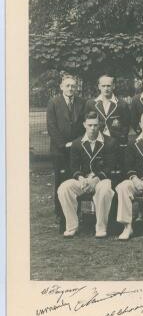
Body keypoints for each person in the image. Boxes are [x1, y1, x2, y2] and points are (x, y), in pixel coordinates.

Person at [57, 111, 117, 238]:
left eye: (95, 125)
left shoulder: (109, 142)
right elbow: (73, 166)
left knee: (105, 189)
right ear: (84, 124)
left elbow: (110, 166)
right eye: (90, 125)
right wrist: (81, 178)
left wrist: (96, 179)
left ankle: (101, 227)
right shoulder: (77, 143)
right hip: (83, 181)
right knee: (64, 188)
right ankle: (72, 226)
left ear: (99, 125)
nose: (93, 128)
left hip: (101, 180)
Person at [46, 74, 86, 231]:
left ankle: (76, 213)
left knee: (75, 180)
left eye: (73, 86)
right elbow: (51, 126)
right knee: (61, 182)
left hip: (76, 150)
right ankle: (61, 216)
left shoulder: (81, 103)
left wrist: (75, 144)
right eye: (67, 85)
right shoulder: (53, 102)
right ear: (61, 87)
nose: (70, 88)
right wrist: (63, 144)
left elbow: (84, 126)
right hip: (60, 151)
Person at [84, 74, 131, 147]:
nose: (106, 88)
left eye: (108, 86)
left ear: (113, 86)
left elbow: (126, 125)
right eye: (103, 86)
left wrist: (121, 139)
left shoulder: (122, 104)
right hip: (96, 143)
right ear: (99, 87)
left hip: (116, 143)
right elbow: (87, 123)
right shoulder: (91, 103)